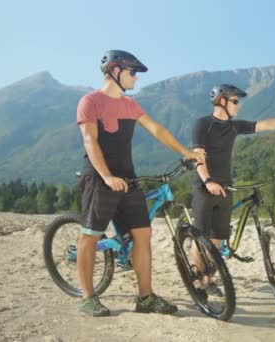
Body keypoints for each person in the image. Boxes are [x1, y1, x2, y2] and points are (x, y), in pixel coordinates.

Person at [76, 50, 204, 317]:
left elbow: (157, 129)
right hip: (99, 178)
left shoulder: (130, 105)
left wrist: (185, 152)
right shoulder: (90, 101)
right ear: (115, 71)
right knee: (90, 236)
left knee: (143, 234)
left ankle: (145, 297)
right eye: (132, 72)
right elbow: (90, 140)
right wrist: (107, 177)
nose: (136, 77)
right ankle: (88, 297)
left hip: (128, 179)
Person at [191, 84, 275, 293]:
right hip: (205, 185)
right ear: (221, 101)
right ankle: (198, 282)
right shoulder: (203, 124)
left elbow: (266, 125)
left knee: (217, 237)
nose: (238, 106)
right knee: (201, 236)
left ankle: (210, 279)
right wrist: (208, 181)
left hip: (225, 186)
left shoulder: (233, 126)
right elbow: (198, 156)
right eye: (235, 101)